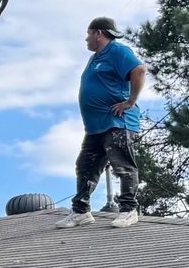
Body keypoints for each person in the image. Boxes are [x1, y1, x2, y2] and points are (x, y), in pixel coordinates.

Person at [56, 16, 145, 229]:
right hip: (96, 127)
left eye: (88, 34)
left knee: (122, 165)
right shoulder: (96, 57)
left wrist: (130, 101)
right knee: (85, 166)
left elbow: (139, 70)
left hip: (117, 122)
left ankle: (128, 209)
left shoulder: (117, 51)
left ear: (99, 33)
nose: (86, 39)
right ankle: (81, 211)